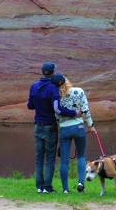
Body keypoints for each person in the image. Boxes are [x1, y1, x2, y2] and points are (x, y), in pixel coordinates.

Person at [27, 62, 81, 194]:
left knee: (39, 157)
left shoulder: (34, 86)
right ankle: (47, 187)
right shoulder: (52, 88)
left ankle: (39, 187)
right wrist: (74, 113)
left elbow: (30, 106)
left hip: (37, 126)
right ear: (52, 74)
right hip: (49, 127)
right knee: (50, 158)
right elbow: (57, 109)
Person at [51, 73, 96, 194]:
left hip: (65, 129)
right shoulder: (79, 91)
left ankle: (65, 189)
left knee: (64, 161)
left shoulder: (56, 96)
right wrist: (91, 126)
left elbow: (56, 115)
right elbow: (85, 109)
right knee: (81, 156)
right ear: (66, 80)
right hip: (79, 127)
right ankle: (81, 182)